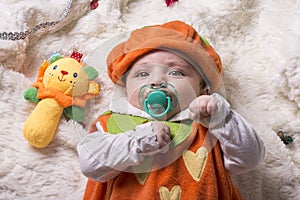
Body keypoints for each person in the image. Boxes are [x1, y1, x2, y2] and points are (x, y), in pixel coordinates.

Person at [77, 20, 264, 200]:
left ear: (202, 88)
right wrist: (139, 139)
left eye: (176, 72)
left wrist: (221, 118)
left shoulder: (209, 126)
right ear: (125, 89)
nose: (157, 81)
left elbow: (250, 160)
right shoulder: (112, 122)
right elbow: (90, 165)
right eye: (142, 74)